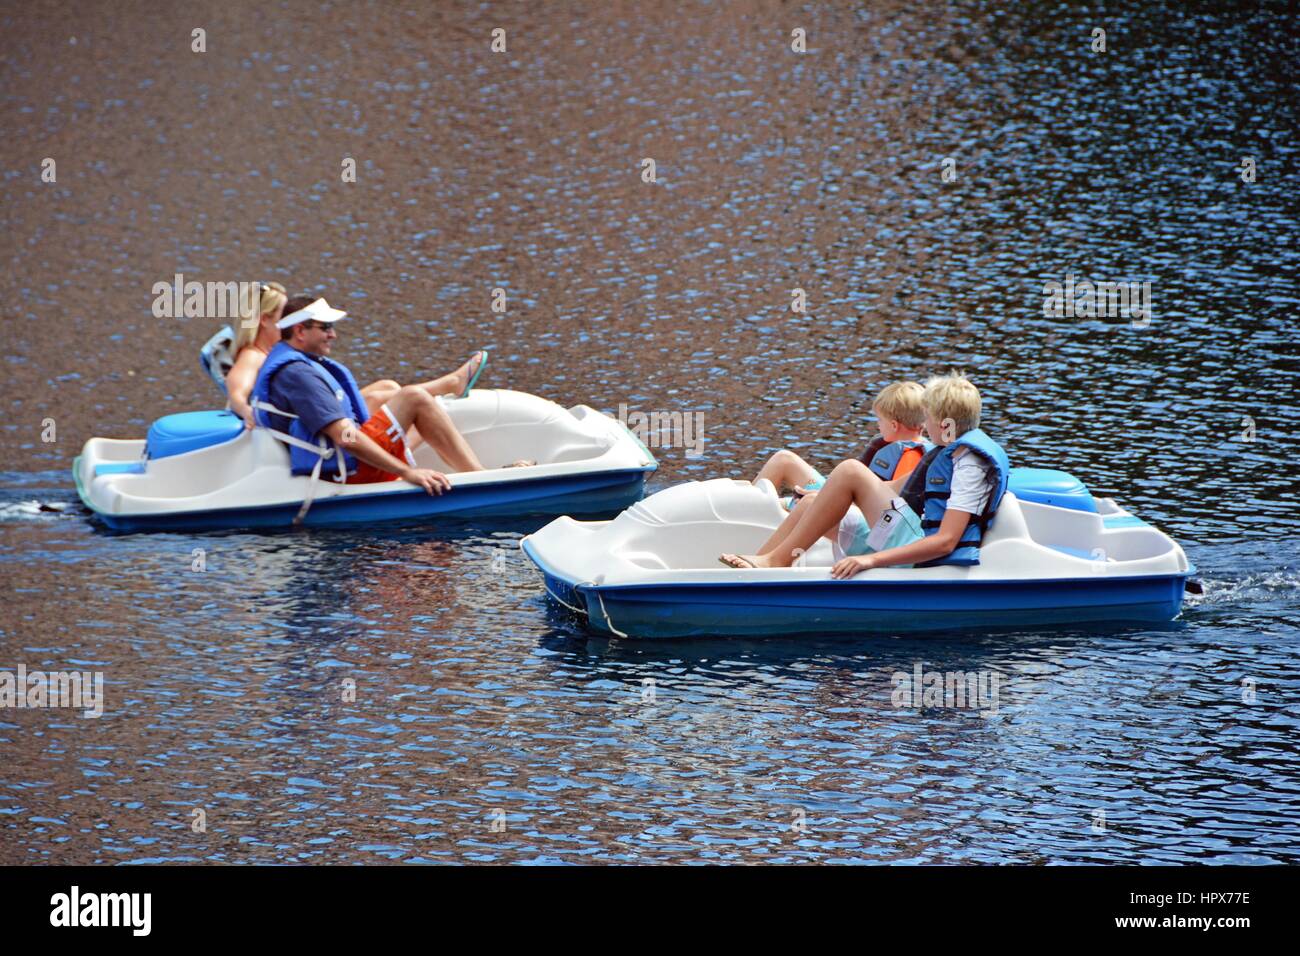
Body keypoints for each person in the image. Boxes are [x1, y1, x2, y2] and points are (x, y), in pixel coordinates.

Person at [720, 372, 1010, 576]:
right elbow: (897, 489)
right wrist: (827, 496)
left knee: (850, 470)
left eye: (929, 418)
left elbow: (946, 541)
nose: (925, 425)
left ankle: (774, 563)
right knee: (811, 504)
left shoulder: (969, 465)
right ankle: (763, 564)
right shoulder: (948, 451)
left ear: (945, 424)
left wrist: (870, 560)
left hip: (920, 555)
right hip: (907, 532)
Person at [250, 295, 528, 494]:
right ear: (300, 331)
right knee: (414, 398)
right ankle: (480, 479)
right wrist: (409, 474)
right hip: (347, 471)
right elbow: (344, 438)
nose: (333, 335)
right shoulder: (299, 374)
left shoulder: (289, 361)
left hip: (332, 460)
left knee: (389, 390)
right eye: (325, 328)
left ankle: (469, 464)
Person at [225, 282, 488, 435]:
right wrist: (247, 411)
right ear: (264, 320)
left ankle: (428, 411)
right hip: (300, 426)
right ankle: (450, 384)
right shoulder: (252, 355)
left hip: (303, 414)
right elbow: (236, 391)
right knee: (383, 398)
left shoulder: (275, 353)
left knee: (388, 386)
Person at [753, 381, 931, 510]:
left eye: (880, 419)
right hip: (842, 497)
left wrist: (822, 498)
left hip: (849, 508)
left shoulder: (911, 456)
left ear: (894, 425)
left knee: (784, 463)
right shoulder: (899, 449)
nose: (878, 425)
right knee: (784, 459)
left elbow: (892, 502)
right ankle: (749, 504)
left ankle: (748, 512)